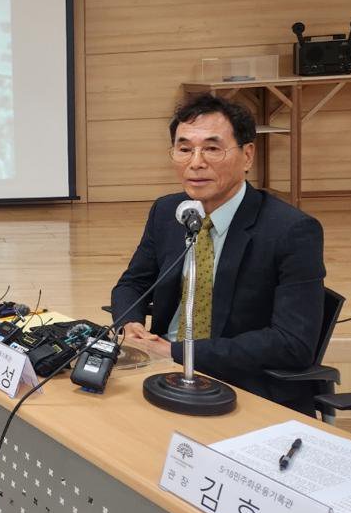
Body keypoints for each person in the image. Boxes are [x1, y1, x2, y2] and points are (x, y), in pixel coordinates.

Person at [110, 93, 325, 414]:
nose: (196, 162)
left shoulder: (291, 230)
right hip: (161, 370)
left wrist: (179, 352)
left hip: (243, 385)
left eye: (212, 148)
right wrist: (130, 324)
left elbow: (292, 343)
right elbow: (133, 284)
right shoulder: (169, 211)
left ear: (248, 155)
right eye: (185, 149)